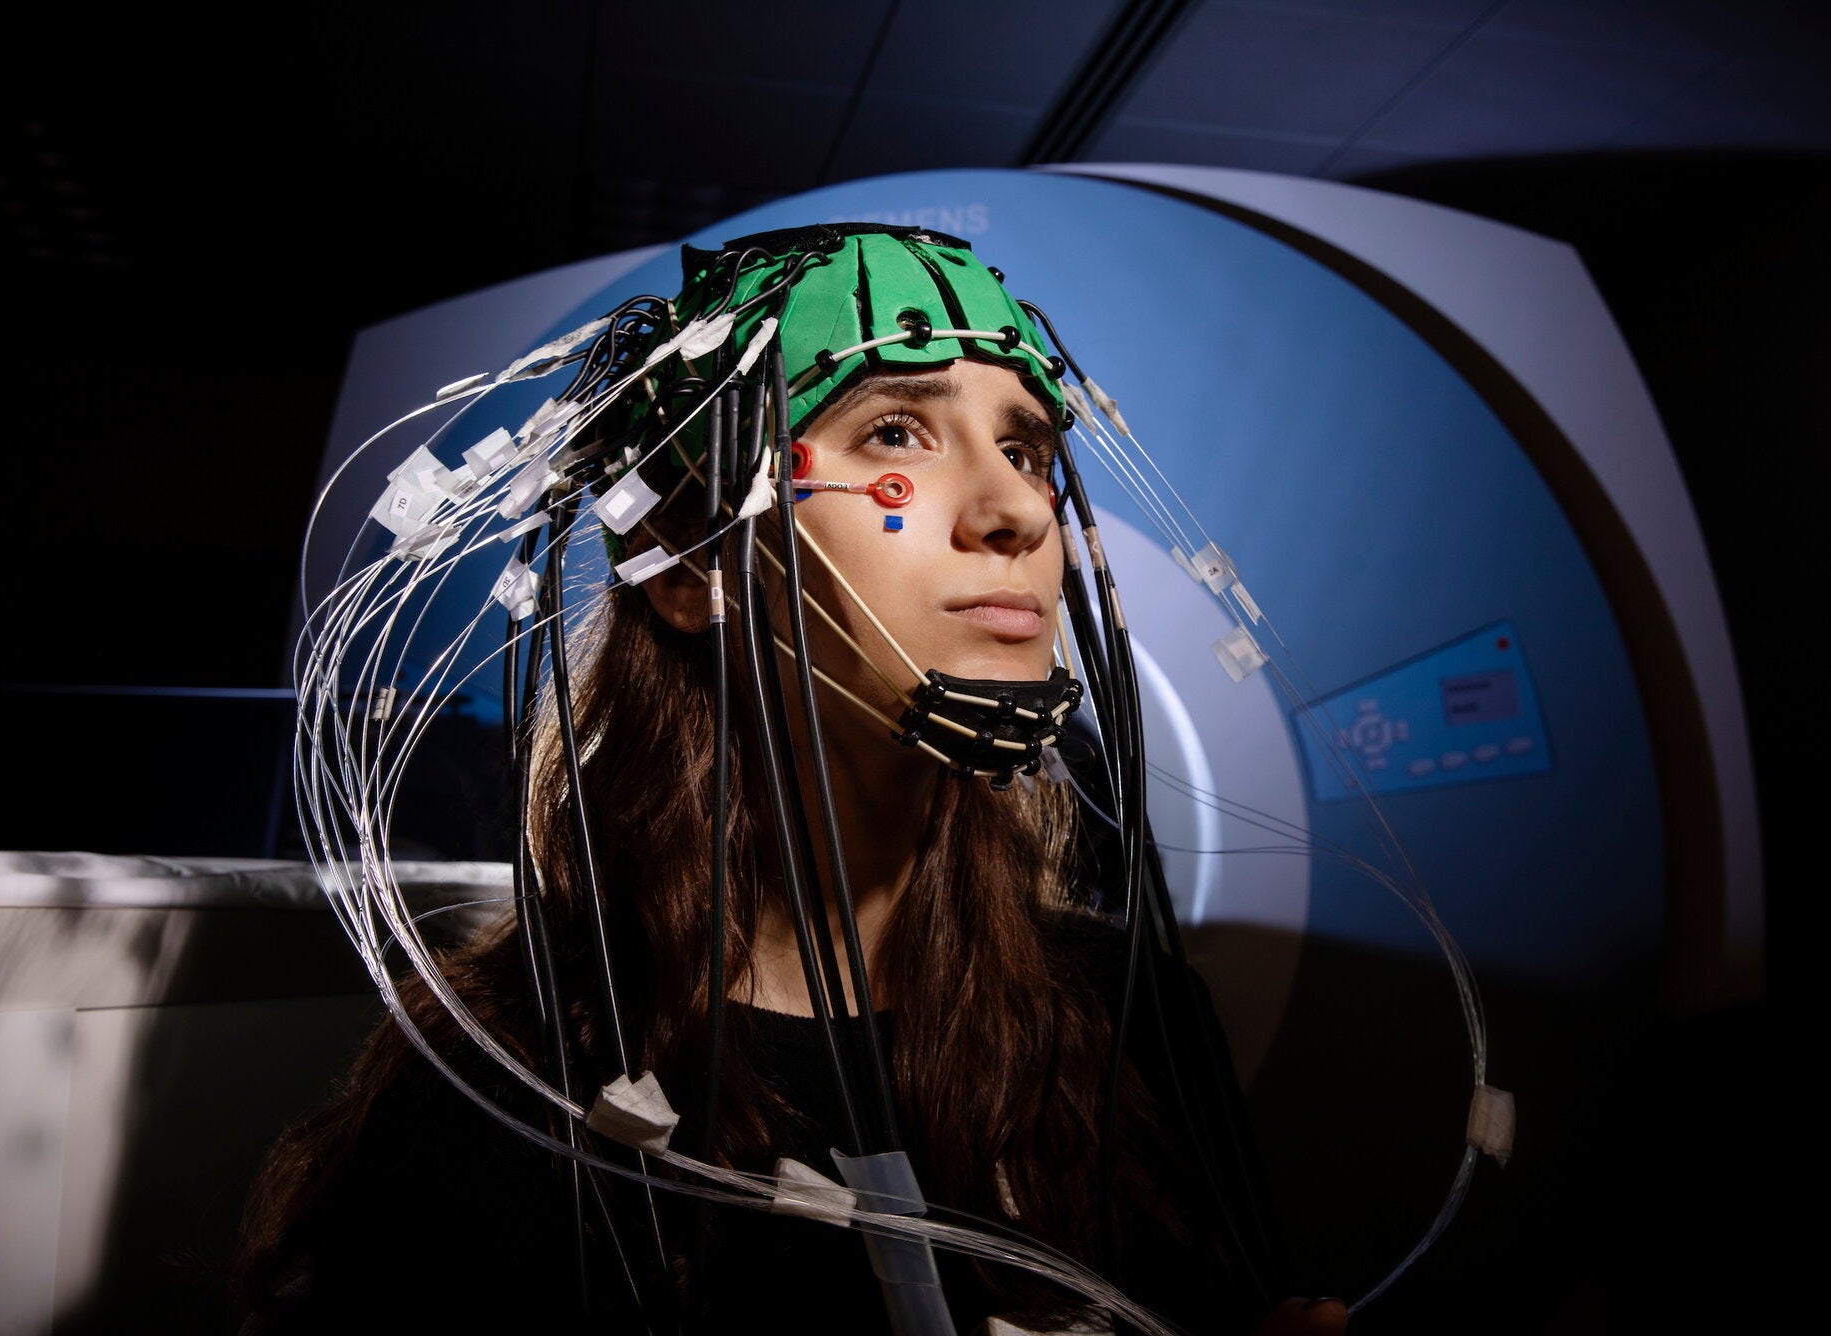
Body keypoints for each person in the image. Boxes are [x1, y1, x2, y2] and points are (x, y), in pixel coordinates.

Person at [242, 223, 1349, 1335]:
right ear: (688, 562)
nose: (1013, 509)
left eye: (1026, 450)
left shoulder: (1137, 1024)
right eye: (898, 432)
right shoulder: (512, 1091)